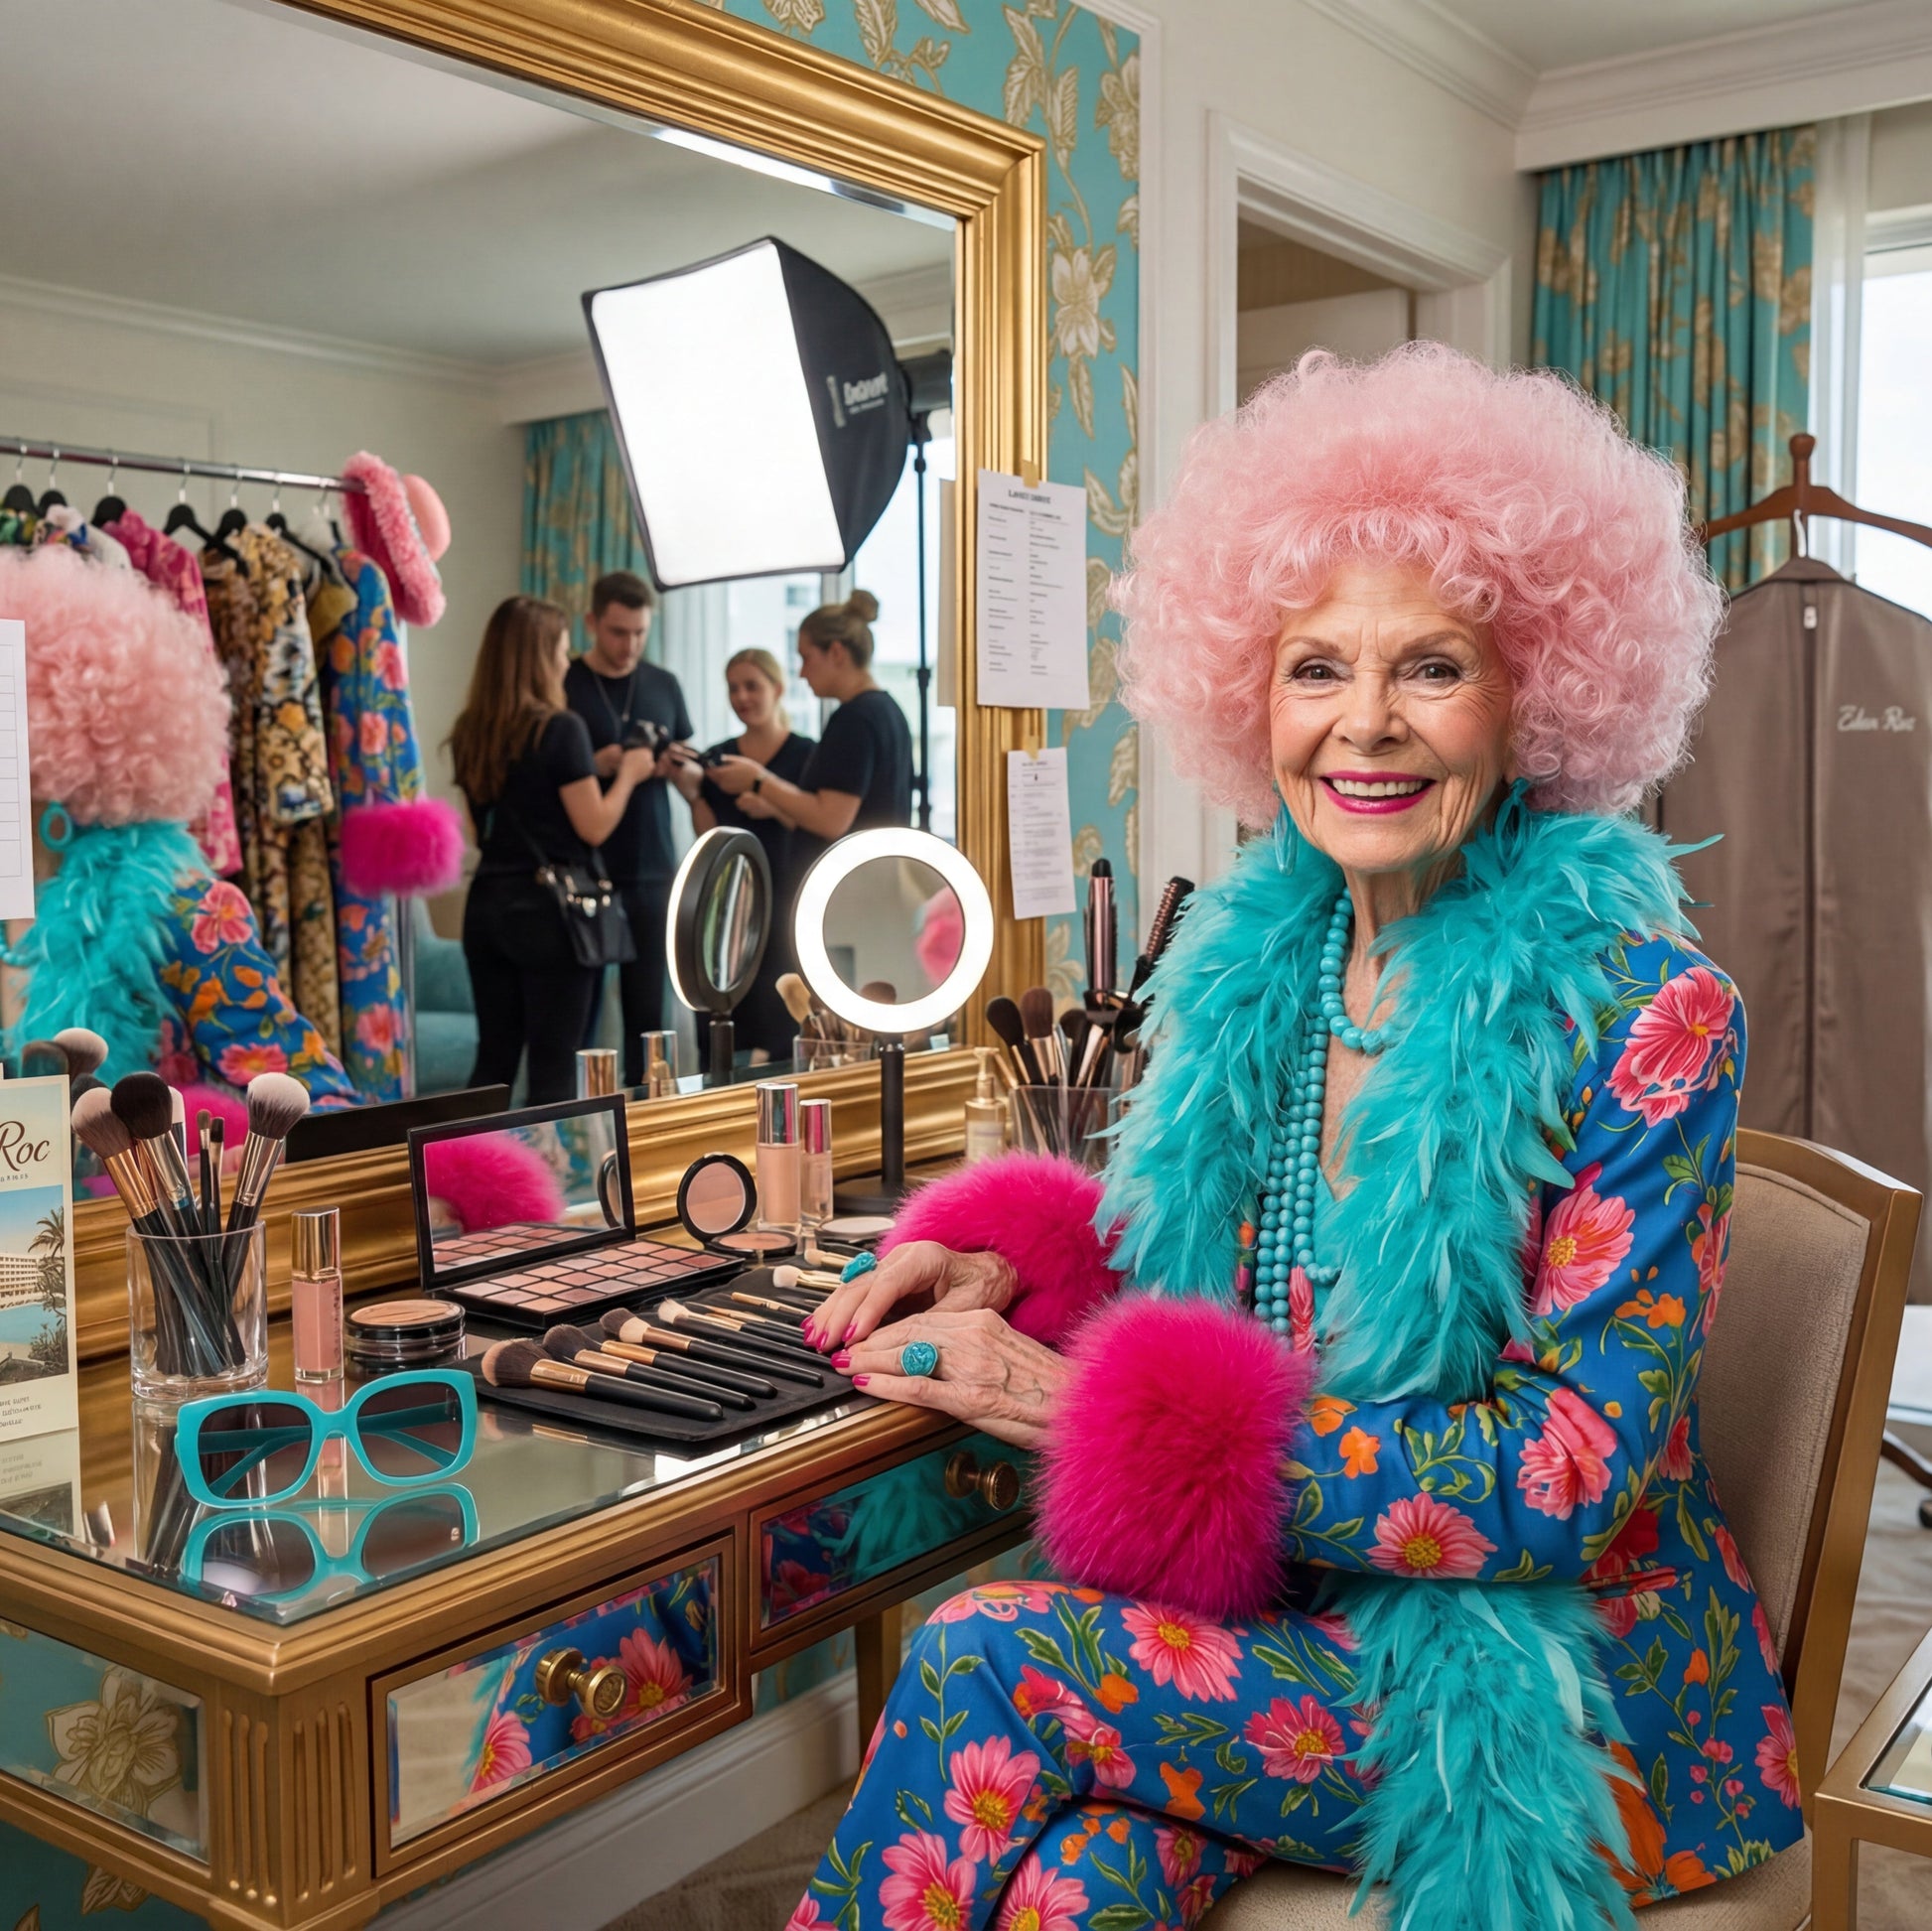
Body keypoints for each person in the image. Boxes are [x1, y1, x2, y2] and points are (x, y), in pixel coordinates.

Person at [789, 347, 1799, 1929]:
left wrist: (1105, 1422)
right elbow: (1203, 1282)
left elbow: (1564, 1478)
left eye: (1431, 666)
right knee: (1074, 1880)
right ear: (1247, 693)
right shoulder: (1263, 962)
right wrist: (1002, 1267)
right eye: (1316, 667)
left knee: (981, 1647)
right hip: (1275, 1617)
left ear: (1535, 689)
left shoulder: (1648, 1014)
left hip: (1545, 1675)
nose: (1364, 727)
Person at [451, 596, 656, 1103]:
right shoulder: (561, 728)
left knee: (494, 1059)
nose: (566, 663)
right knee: (553, 1065)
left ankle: (469, 1169)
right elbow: (594, 827)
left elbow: (483, 833)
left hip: (486, 908)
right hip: (550, 916)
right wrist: (629, 776)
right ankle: (549, 1177)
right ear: (539, 657)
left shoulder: (470, 731)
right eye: (561, 652)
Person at [562, 571, 695, 1086]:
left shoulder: (663, 683)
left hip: (654, 865)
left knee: (648, 1014)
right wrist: (601, 763)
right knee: (582, 1016)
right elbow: (552, 769)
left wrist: (669, 767)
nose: (629, 645)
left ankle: (645, 1119)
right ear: (592, 621)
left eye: (640, 633)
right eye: (619, 632)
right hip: (586, 871)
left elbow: (682, 762)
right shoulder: (566, 682)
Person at [707, 590, 910, 881]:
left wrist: (758, 780)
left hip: (854, 884)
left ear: (836, 652)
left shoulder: (854, 718)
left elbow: (831, 820)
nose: (802, 673)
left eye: (806, 657)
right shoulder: (886, 709)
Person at [691, 648, 816, 1061]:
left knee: (784, 1021)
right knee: (725, 1021)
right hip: (731, 907)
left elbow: (823, 825)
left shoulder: (808, 755)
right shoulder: (718, 758)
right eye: (733, 688)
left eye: (752, 686)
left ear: (778, 689)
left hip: (788, 903)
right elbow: (708, 838)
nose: (742, 696)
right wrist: (693, 794)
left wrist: (774, 807)